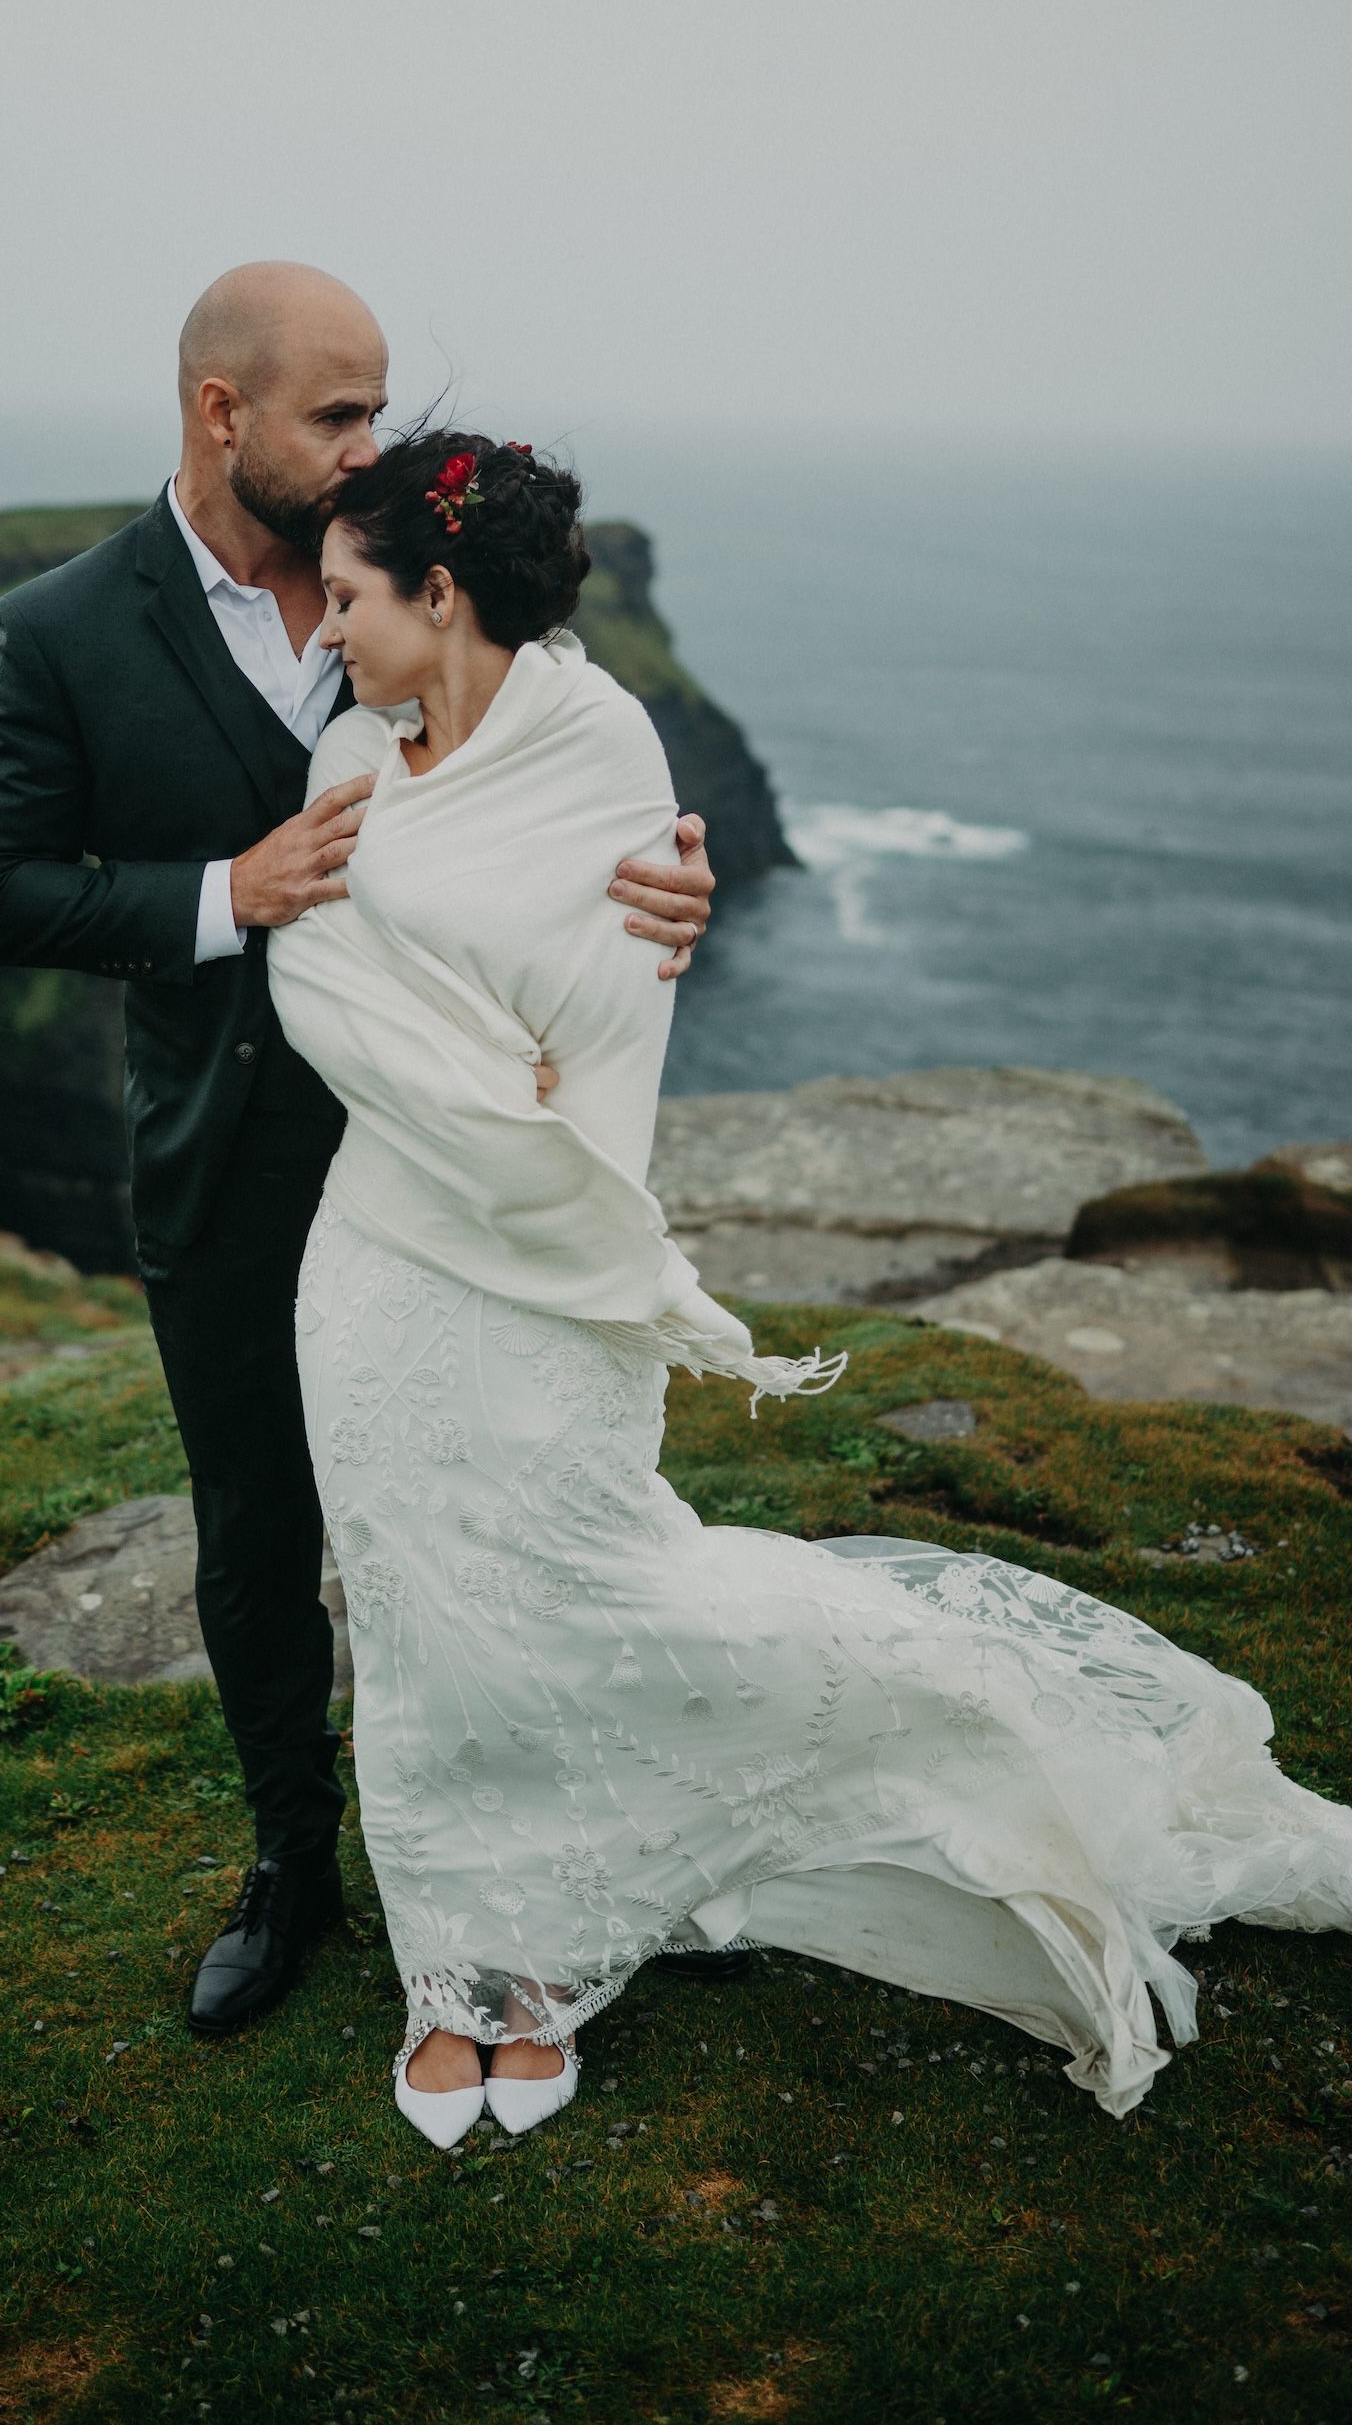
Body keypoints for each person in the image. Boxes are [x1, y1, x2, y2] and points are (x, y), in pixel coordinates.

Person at [267, 424, 1352, 2148]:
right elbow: (312, 971)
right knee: (415, 1620)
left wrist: (462, 1060)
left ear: (443, 591)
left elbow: (598, 1044)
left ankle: (655, 1906)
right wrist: (429, 1039)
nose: (323, 632)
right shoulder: (347, 751)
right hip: (379, 1270)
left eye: (344, 596)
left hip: (543, 1270)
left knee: (580, 1592)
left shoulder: (607, 748)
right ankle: (469, 1968)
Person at [0, 263, 716, 2039]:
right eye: (336, 415)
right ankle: (294, 1858)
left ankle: (593, 1851)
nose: (370, 445)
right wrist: (231, 892)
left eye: (376, 412)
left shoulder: (418, 569)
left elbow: (565, 800)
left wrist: (673, 881)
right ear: (224, 414)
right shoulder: (58, 629)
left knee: (516, 1496)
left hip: (448, 1156)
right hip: (229, 1157)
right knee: (260, 1518)